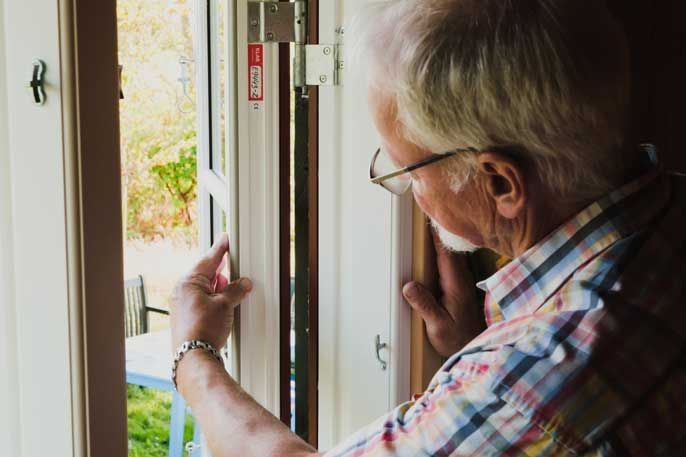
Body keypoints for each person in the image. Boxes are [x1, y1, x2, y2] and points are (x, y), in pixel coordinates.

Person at [170, 0, 686, 455]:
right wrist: (483, 345)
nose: (407, 190)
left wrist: (194, 357)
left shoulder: (529, 390)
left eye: (404, 169)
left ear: (502, 184)